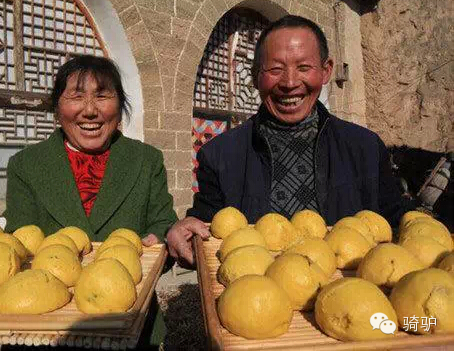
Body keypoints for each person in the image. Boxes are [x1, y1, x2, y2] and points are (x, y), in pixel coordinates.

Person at [166, 15, 414, 265]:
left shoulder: (365, 148)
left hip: (349, 296)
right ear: (255, 76)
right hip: (253, 296)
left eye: (304, 68)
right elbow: (206, 225)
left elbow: (396, 222)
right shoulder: (219, 155)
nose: (290, 83)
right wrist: (184, 231)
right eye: (275, 69)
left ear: (326, 70)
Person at [3, 55, 177, 348]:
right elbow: (20, 238)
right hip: (45, 327)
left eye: (102, 96)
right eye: (76, 96)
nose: (90, 111)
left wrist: (158, 243)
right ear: (58, 108)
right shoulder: (26, 165)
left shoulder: (146, 161)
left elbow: (163, 222)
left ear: (119, 106)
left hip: (128, 322)